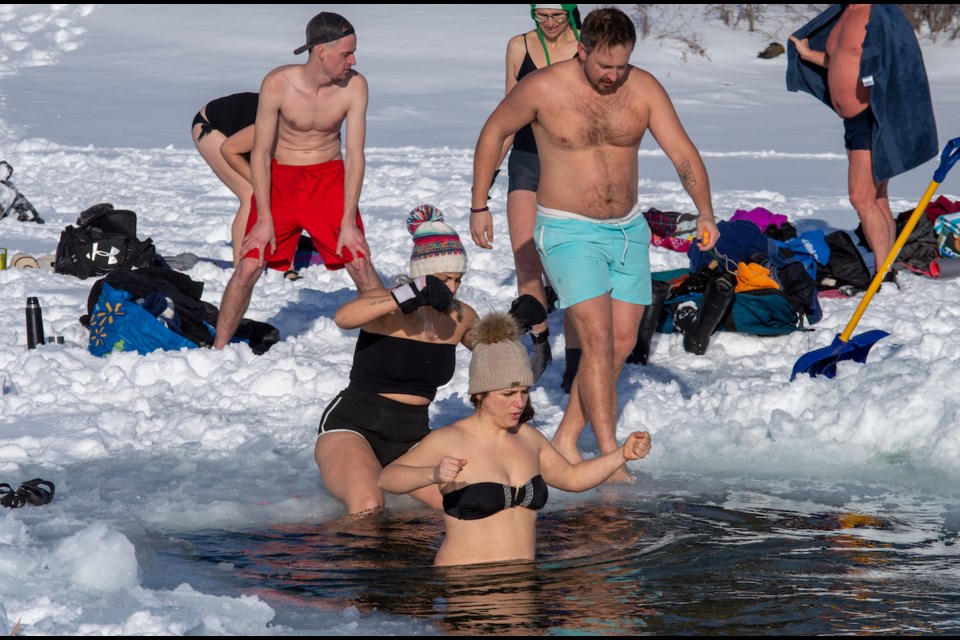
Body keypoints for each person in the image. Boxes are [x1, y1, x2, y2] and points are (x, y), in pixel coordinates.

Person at [470, 7, 719, 483]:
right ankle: (609, 456)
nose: (613, 76)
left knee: (623, 342)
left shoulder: (642, 89)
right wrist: (479, 202)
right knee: (598, 339)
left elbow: (683, 151)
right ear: (582, 50)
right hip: (566, 230)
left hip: (627, 230)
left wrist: (704, 211)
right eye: (605, 65)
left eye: (621, 65)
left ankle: (565, 439)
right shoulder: (543, 88)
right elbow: (494, 131)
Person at [378, 311, 652, 567]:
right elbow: (388, 478)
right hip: (466, 586)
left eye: (523, 392)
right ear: (480, 394)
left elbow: (572, 478)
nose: (519, 403)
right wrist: (433, 474)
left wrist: (621, 455)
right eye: (508, 394)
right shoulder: (450, 439)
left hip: (523, 581)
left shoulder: (529, 438)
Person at [213, 11, 381, 349]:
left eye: (353, 52)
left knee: (359, 260)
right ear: (321, 51)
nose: (353, 60)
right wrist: (263, 217)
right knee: (248, 266)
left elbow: (356, 156)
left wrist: (349, 221)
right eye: (346, 54)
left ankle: (392, 344)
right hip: (282, 181)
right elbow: (260, 153)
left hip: (329, 180)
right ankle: (218, 347)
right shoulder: (278, 83)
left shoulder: (355, 85)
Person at [314, 205, 479, 517]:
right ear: (422, 276)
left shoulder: (461, 316)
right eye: (445, 278)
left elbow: (493, 354)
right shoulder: (387, 307)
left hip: (411, 439)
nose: (453, 288)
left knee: (464, 506)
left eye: (458, 279)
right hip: (352, 428)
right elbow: (344, 318)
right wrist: (408, 296)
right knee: (368, 505)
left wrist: (518, 325)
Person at [787, 4, 938, 280]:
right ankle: (889, 264)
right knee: (877, 197)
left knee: (861, 197)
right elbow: (843, 60)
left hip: (873, 118)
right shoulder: (844, 13)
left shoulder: (881, 15)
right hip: (853, 122)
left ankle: (884, 274)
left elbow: (904, 63)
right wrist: (809, 55)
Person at [497, 4, 583, 388]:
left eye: (557, 16)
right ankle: (541, 341)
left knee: (569, 262)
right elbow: (506, 115)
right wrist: (485, 179)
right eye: (541, 15)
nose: (549, 24)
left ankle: (578, 354)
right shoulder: (519, 46)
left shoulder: (587, 44)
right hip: (528, 159)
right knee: (525, 254)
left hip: (571, 163)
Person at [191, 92, 258, 266]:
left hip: (242, 133)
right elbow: (229, 149)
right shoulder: (275, 124)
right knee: (251, 194)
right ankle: (241, 265)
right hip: (211, 127)